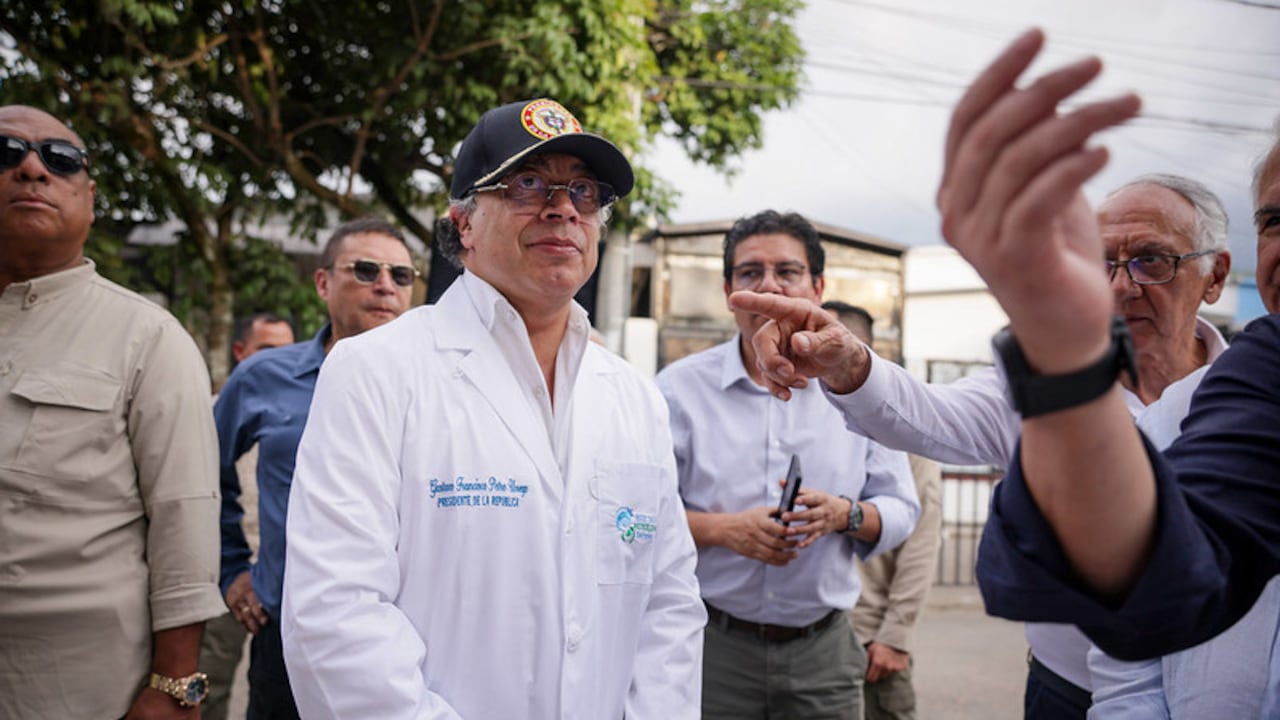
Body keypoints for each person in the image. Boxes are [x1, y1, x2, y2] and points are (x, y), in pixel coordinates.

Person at [730, 170, 1234, 717]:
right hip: (1065, 690)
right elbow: (927, 415)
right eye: (1102, 262)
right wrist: (851, 363)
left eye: (1152, 261)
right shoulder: (1040, 383)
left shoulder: (1250, 398)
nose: (1121, 286)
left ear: (1215, 276)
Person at [281, 98, 705, 719]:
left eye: (584, 192)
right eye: (529, 184)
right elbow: (335, 614)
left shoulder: (634, 396)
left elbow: (668, 605)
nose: (563, 207)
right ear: (463, 225)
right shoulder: (377, 370)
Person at [0, 105, 225, 718]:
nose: (30, 168)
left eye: (59, 159)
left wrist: (176, 686)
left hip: (77, 685)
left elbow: (185, 518)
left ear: (90, 199)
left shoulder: (148, 338)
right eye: (6, 152)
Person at [654, 210, 919, 719]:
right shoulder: (678, 389)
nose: (770, 285)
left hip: (824, 650)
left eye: (788, 271)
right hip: (711, 645)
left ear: (817, 287)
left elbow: (903, 508)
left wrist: (844, 515)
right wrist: (724, 529)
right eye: (751, 272)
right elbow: (641, 516)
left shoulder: (863, 385)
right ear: (729, 289)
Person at [215, 217, 415, 718]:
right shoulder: (264, 376)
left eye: (401, 275)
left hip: (407, 637)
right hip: (288, 635)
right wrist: (232, 568)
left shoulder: (440, 385)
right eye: (366, 270)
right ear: (323, 282)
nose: (385, 285)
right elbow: (199, 470)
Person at [823, 301, 944, 720]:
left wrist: (897, 634)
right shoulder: (803, 419)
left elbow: (922, 541)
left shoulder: (900, 428)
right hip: (813, 638)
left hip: (870, 638)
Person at [199, 311, 296, 720]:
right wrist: (232, 566)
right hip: (234, 577)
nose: (278, 360)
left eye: (286, 351)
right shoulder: (228, 404)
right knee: (210, 682)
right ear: (241, 352)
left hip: (284, 583)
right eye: (267, 350)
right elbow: (205, 480)